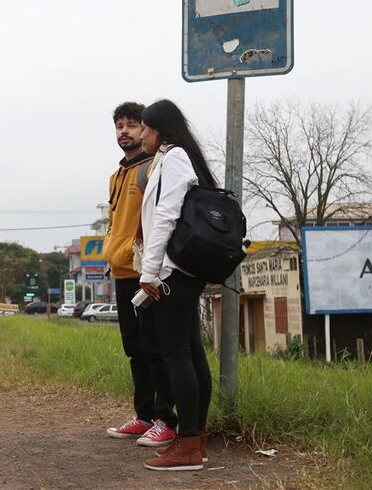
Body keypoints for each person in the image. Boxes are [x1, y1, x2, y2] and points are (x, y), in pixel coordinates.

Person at [137, 99, 217, 472]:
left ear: (158, 130)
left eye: (144, 128)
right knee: (189, 354)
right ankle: (194, 442)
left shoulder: (175, 158)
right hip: (180, 271)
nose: (140, 135)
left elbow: (165, 217)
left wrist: (149, 272)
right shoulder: (176, 157)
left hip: (172, 272)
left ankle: (187, 445)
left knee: (178, 356)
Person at [104, 102, 178, 449]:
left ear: (145, 129)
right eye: (119, 125)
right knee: (134, 348)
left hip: (146, 271)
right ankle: (144, 415)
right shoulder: (117, 174)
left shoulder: (154, 167)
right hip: (121, 270)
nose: (125, 131)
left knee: (155, 348)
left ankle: (167, 419)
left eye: (132, 125)